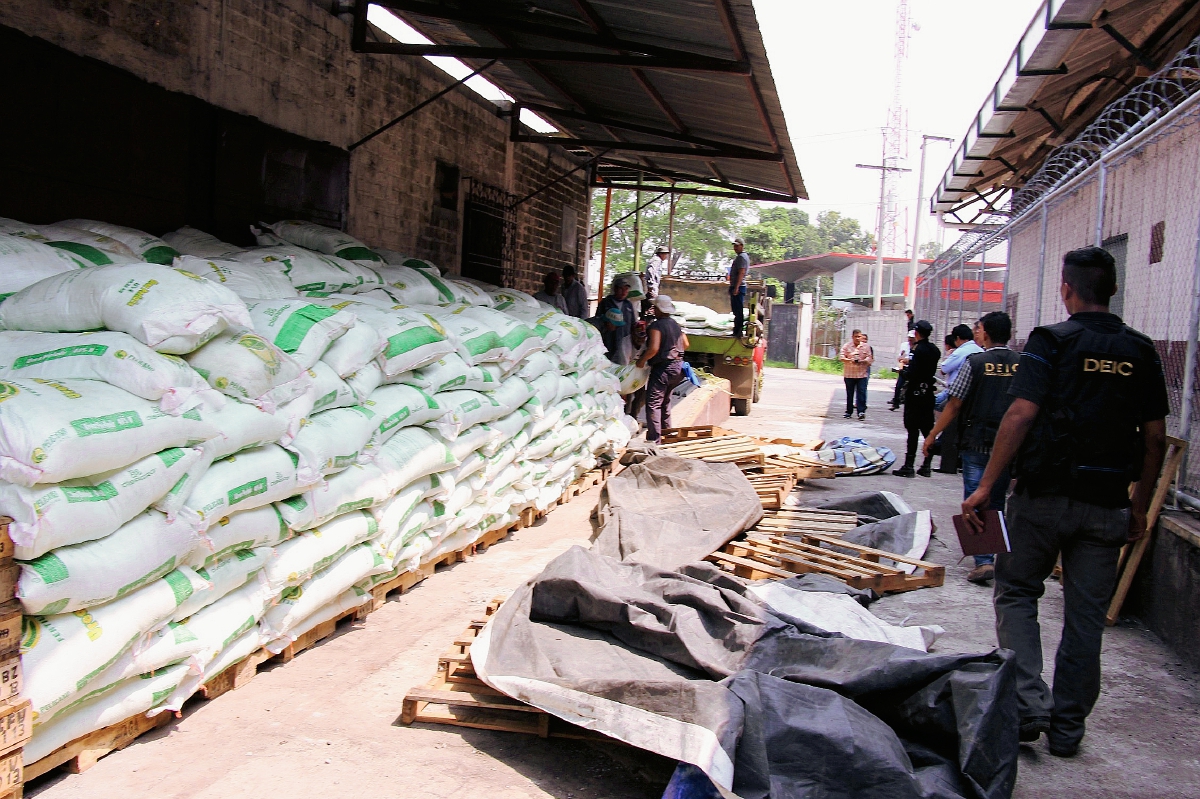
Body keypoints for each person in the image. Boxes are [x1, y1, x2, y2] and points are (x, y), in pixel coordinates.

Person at [962, 246, 1168, 757]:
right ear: (1113, 290)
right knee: (1085, 616)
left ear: (1066, 289)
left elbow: (1020, 415)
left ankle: (1029, 707)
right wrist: (1139, 507)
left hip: (1042, 498)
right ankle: (1069, 728)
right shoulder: (1142, 350)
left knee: (1016, 593)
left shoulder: (1051, 342)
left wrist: (987, 485)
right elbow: (1156, 437)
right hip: (1106, 505)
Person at [923, 312, 1019, 585]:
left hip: (977, 441)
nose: (976, 333)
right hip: (1007, 446)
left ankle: (984, 561)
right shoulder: (1022, 364)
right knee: (997, 500)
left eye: (978, 329)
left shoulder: (975, 362)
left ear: (986, 333)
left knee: (975, 496)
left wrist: (933, 433)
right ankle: (995, 557)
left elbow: (955, 403)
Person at [636, 295, 689, 443]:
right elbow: (686, 344)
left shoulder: (656, 326)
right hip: (678, 366)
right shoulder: (675, 324)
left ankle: (655, 440)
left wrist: (642, 360)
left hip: (663, 368)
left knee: (653, 403)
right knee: (665, 402)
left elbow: (653, 348)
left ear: (658, 309)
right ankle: (667, 434)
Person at [893, 319, 938, 478]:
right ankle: (926, 465)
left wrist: (902, 372)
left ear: (917, 333)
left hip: (915, 394)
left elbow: (913, 373)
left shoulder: (918, 349)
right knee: (927, 430)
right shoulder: (934, 350)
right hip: (928, 394)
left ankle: (909, 466)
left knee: (912, 430)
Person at [597, 276, 636, 365]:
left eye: (626, 289)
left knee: (621, 367)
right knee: (606, 365)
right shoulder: (606, 302)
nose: (624, 292)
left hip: (624, 342)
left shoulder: (628, 305)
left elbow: (633, 324)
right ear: (615, 289)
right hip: (608, 340)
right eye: (621, 289)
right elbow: (597, 321)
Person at [839, 329, 873, 420]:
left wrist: (862, 361)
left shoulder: (866, 347)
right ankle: (848, 412)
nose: (858, 338)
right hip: (849, 374)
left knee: (861, 393)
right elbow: (841, 357)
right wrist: (850, 360)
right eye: (856, 337)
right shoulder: (847, 346)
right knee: (850, 394)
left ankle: (861, 412)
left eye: (859, 336)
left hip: (861, 374)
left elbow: (870, 358)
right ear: (852, 337)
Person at [729, 237, 750, 338]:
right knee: (736, 310)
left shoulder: (742, 257)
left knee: (738, 310)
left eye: (737, 246)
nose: (735, 248)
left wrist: (736, 287)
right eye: (734, 246)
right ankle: (737, 330)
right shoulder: (742, 257)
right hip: (737, 286)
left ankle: (738, 331)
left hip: (739, 287)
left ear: (742, 246)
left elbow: (741, 272)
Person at [890, 330, 915, 411]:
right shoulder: (904, 345)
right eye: (909, 337)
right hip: (904, 367)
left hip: (913, 368)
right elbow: (900, 357)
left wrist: (907, 360)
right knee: (898, 386)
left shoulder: (917, 347)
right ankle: (895, 403)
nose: (910, 339)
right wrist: (903, 361)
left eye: (912, 338)